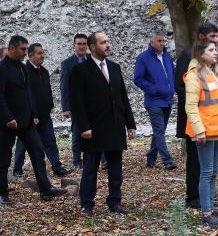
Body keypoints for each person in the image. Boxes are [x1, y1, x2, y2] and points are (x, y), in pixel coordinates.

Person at [70, 31, 136, 216]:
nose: (108, 45)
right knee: (90, 168)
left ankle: (114, 201)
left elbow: (123, 97)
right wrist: (84, 127)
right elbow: (77, 102)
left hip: (115, 125)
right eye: (103, 42)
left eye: (108, 41)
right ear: (92, 47)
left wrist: (130, 124)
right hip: (93, 127)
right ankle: (87, 203)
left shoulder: (114, 68)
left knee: (115, 168)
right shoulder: (80, 70)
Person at [0, 35, 67, 205]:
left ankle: (45, 189)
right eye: (22, 49)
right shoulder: (2, 68)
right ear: (12, 48)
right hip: (7, 123)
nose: (25, 53)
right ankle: (3, 194)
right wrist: (8, 118)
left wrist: (34, 114)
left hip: (27, 121)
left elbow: (28, 94)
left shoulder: (22, 69)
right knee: (4, 158)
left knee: (38, 153)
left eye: (26, 49)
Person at [184, 40, 218, 227]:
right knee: (206, 172)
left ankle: (211, 208)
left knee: (212, 173)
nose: (216, 52)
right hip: (205, 131)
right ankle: (206, 213)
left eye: (216, 49)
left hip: (217, 129)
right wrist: (199, 130)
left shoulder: (216, 74)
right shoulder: (194, 76)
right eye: (211, 50)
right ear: (200, 54)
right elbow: (191, 106)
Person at [175, 22, 218, 208]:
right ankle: (193, 197)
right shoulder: (188, 56)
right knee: (195, 160)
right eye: (212, 37)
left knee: (209, 165)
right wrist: (198, 109)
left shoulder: (210, 59)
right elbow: (181, 86)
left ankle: (206, 197)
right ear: (201, 36)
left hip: (210, 120)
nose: (216, 41)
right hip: (194, 119)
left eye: (216, 37)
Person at [12, 43, 73, 178]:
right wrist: (30, 113)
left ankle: (57, 168)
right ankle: (17, 169)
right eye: (39, 53)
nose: (42, 56)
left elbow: (47, 91)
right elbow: (24, 94)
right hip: (28, 116)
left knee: (50, 141)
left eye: (43, 53)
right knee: (23, 143)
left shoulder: (44, 71)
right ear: (31, 55)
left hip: (44, 114)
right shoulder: (24, 71)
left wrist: (49, 105)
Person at [134, 32, 177, 170]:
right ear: (151, 42)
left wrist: (173, 88)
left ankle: (151, 158)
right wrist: (154, 89)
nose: (162, 43)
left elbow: (173, 73)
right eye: (159, 40)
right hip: (154, 101)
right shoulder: (143, 58)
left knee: (160, 131)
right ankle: (168, 161)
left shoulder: (167, 56)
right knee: (159, 131)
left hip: (167, 100)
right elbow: (138, 79)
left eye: (163, 40)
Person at [60, 33, 88, 168]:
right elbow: (64, 86)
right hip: (76, 105)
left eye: (84, 44)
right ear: (74, 46)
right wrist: (65, 107)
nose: (82, 46)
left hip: (92, 104)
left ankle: (98, 158)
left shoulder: (92, 60)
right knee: (77, 132)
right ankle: (77, 160)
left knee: (96, 131)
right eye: (79, 44)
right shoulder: (67, 63)